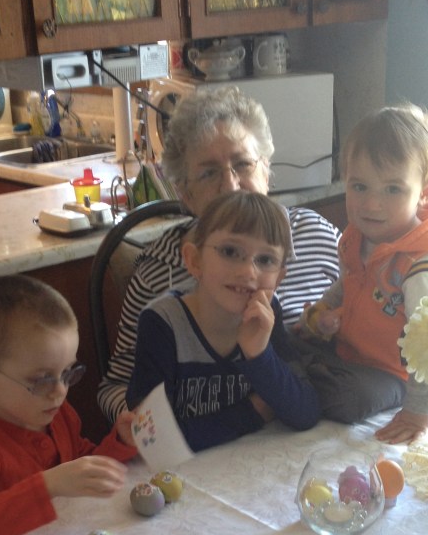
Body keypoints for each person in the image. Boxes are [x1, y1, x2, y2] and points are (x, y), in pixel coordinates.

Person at [97, 84, 340, 424]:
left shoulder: (318, 234)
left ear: (266, 171)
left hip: (318, 426)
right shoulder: (159, 270)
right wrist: (136, 423)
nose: (230, 185)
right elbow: (118, 384)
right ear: (185, 192)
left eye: (242, 164)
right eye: (209, 173)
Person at [295, 103, 428, 445]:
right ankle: (300, 372)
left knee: (349, 399)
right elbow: (346, 284)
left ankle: (301, 378)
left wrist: (419, 410)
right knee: (284, 336)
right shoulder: (361, 236)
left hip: (395, 373)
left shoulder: (423, 267)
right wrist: (320, 313)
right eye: (360, 187)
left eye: (392, 189)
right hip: (350, 350)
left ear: (425, 193)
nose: (372, 205)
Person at [0, 274, 136, 535]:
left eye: (68, 373)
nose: (60, 392)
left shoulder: (56, 415)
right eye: (42, 380)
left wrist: (119, 443)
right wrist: (47, 485)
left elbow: (81, 468)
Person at [126, 191, 322, 451]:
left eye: (265, 260)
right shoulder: (162, 324)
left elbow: (306, 412)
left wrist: (260, 356)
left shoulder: (265, 314)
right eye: (230, 251)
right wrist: (255, 410)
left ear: (279, 279)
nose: (248, 272)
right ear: (194, 261)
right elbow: (155, 440)